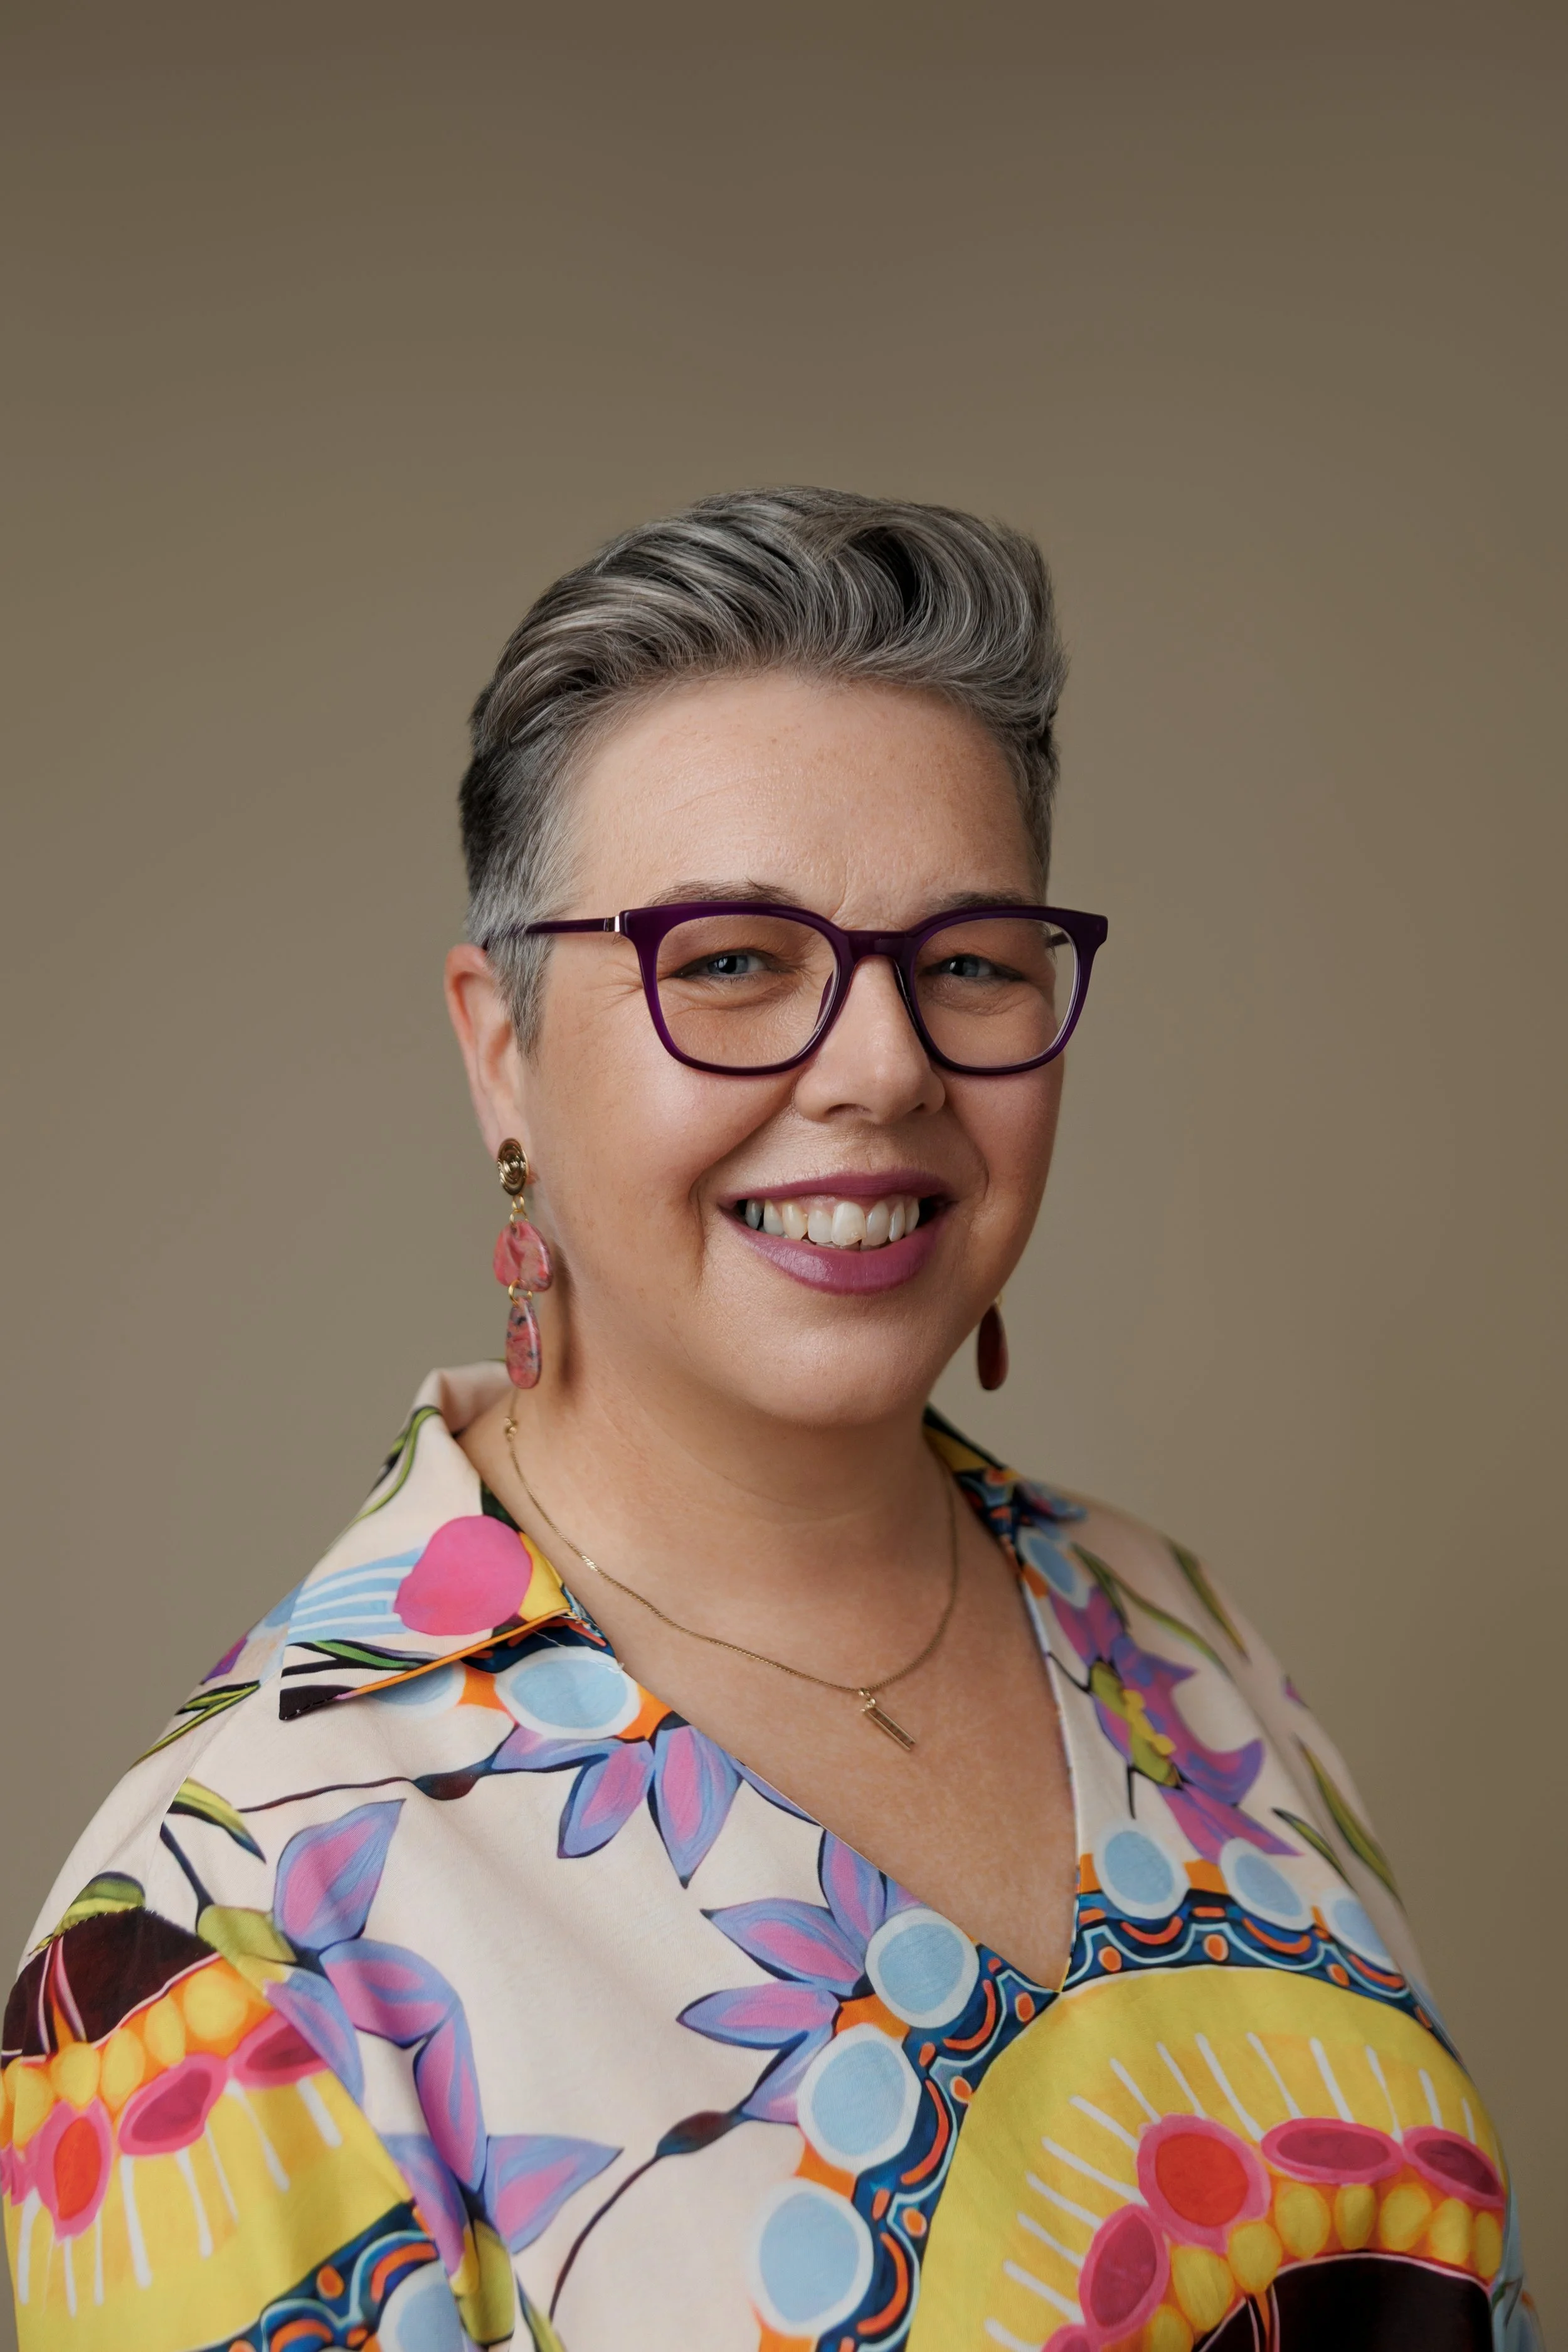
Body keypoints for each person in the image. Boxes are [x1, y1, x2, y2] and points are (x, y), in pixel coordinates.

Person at [3, 490, 1537, 2352]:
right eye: (730, 958)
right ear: (502, 1043)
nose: (881, 1064)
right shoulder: (231, 1929)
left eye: (968, 958)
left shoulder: (1173, 1632)